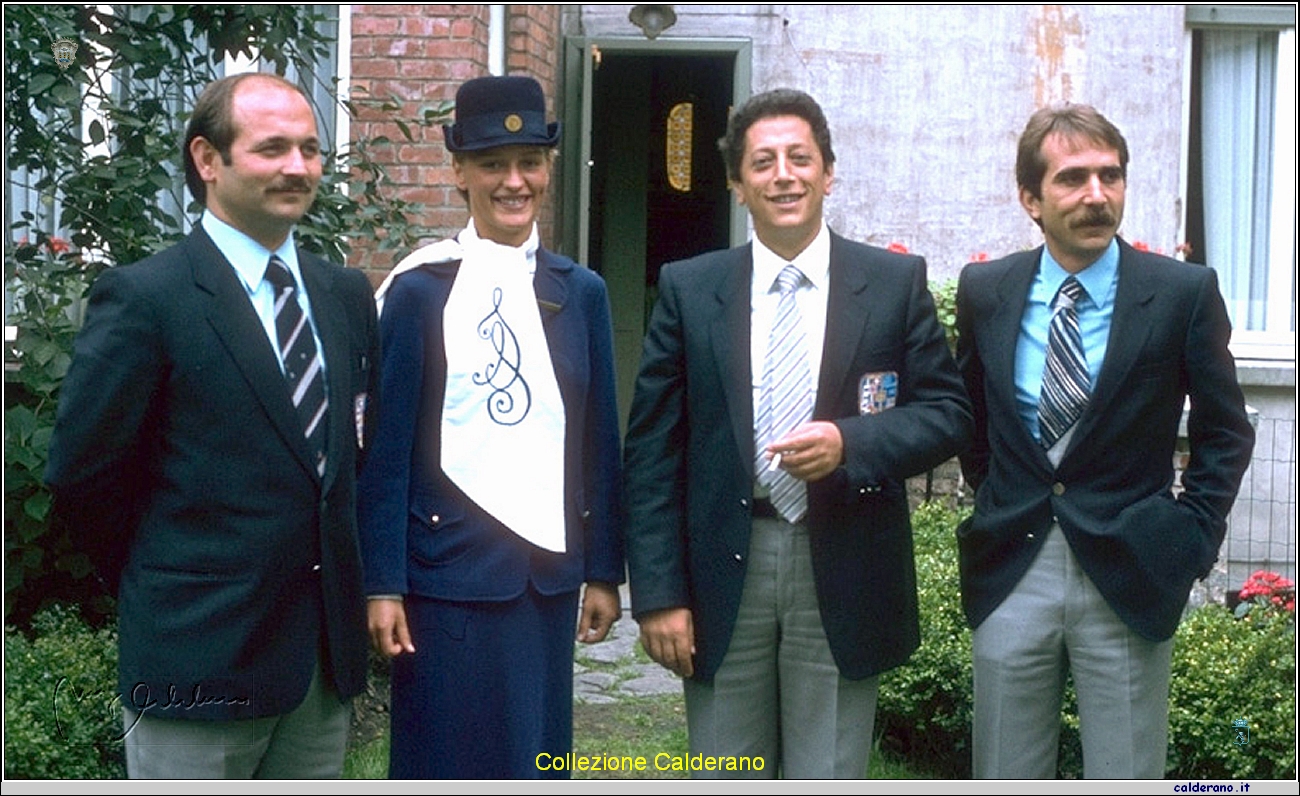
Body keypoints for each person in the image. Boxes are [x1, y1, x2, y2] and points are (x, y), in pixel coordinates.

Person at [622, 88, 972, 778]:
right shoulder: (691, 289)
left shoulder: (892, 282)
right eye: (763, 162)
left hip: (842, 561)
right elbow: (651, 455)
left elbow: (948, 414)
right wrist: (659, 595)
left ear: (828, 172)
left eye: (799, 158)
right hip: (725, 563)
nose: (783, 174)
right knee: (728, 770)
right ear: (738, 184)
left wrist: (851, 444)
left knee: (828, 772)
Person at [44, 73, 379, 778]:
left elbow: (350, 458)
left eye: (311, 150)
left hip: (321, 667)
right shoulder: (146, 298)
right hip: (195, 660)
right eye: (273, 148)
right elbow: (83, 475)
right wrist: (167, 582)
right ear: (207, 159)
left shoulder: (345, 296)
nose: (298, 168)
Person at [955, 103, 1255, 778]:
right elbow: (971, 417)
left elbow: (1224, 430)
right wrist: (1002, 495)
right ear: (1030, 198)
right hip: (1014, 564)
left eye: (1109, 176)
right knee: (1004, 769)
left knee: (1126, 773)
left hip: (1130, 566)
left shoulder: (1182, 293)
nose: (1096, 195)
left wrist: (1191, 537)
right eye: (1072, 179)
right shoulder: (988, 290)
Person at [359, 74, 624, 780]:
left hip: (544, 581)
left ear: (547, 169)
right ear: (458, 171)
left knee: (532, 760)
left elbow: (599, 442)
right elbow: (386, 454)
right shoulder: (420, 291)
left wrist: (604, 569)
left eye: (530, 163)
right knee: (446, 759)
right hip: (444, 579)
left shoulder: (581, 292)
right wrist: (382, 581)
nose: (515, 181)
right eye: (491, 165)